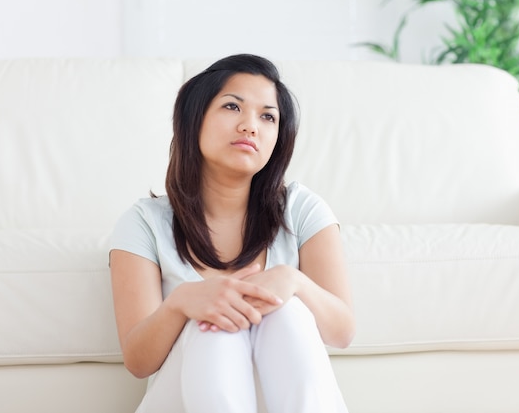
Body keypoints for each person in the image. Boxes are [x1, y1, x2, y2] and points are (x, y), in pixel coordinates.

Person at [109, 53, 355, 413]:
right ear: (195, 120)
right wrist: (182, 303)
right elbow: (138, 361)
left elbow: (342, 331)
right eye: (232, 107)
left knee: (287, 311)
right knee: (216, 322)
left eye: (267, 116)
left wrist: (293, 282)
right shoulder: (144, 222)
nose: (250, 126)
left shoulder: (304, 209)